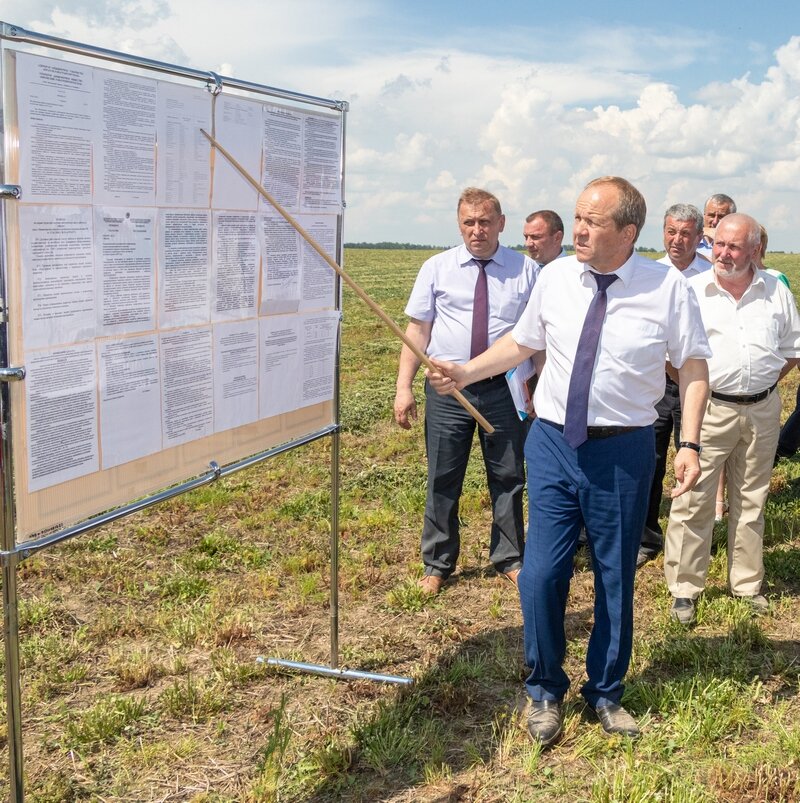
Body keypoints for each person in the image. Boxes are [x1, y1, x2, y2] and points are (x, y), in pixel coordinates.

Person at [428, 177, 710, 745]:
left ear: (627, 232)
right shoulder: (555, 278)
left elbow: (694, 368)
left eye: (592, 221)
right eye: (577, 217)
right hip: (554, 443)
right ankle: (544, 689)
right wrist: (465, 371)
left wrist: (689, 443)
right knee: (540, 574)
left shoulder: (667, 289)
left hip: (623, 451)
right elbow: (522, 344)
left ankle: (605, 691)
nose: (578, 229)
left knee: (614, 576)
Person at [394, 187, 536, 595]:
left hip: (504, 390)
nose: (477, 230)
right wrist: (404, 387)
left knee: (508, 475)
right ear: (459, 225)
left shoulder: (526, 271)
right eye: (469, 223)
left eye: (485, 222)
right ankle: (437, 563)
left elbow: (538, 337)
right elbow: (417, 331)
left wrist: (539, 389)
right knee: (443, 475)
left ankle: (510, 558)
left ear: (501, 223)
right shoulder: (436, 268)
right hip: (447, 392)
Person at [664, 214, 800, 625]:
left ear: (755, 250)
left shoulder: (776, 290)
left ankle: (746, 584)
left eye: (734, 247)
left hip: (762, 409)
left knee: (752, 498)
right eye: (719, 244)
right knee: (693, 498)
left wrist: (759, 386)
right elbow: (671, 357)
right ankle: (685, 589)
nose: (722, 254)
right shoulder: (692, 291)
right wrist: (703, 391)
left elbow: (791, 350)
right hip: (709, 410)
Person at [638, 204, 710, 567]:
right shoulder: (650, 275)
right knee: (649, 461)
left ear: (699, 237)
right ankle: (645, 537)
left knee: (693, 457)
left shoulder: (712, 276)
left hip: (695, 385)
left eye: (685, 233)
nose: (677, 240)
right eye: (671, 232)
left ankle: (688, 542)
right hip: (656, 385)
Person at [523, 210, 566, 276]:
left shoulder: (576, 271)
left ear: (557, 238)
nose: (528, 244)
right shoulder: (521, 271)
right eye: (526, 237)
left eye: (535, 237)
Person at [696, 193, 736, 259]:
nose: (715, 222)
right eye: (711, 215)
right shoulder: (691, 242)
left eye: (721, 216)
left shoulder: (737, 246)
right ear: (704, 215)